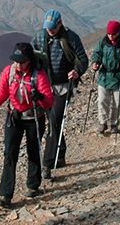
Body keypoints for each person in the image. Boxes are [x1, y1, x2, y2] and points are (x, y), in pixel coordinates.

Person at [0, 42, 54, 208]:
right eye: (16, 60)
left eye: (21, 61)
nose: (18, 64)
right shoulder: (9, 72)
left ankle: (33, 185)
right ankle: (5, 194)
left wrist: (40, 97)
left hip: (34, 117)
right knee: (10, 153)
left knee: (33, 150)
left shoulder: (39, 75)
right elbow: (2, 93)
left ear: (29, 60)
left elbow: (49, 101)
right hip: (13, 116)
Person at [31, 9, 89, 178]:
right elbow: (31, 55)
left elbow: (82, 59)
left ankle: (48, 163)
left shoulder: (71, 38)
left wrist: (77, 71)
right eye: (48, 27)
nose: (50, 30)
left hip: (63, 86)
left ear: (60, 23)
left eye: (53, 27)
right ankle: (61, 153)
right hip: (44, 86)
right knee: (52, 121)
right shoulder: (39, 37)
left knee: (55, 120)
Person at [91, 21, 120, 134]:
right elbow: (97, 53)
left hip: (119, 77)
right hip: (104, 76)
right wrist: (95, 62)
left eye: (113, 34)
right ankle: (103, 123)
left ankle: (114, 124)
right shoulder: (102, 42)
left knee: (117, 103)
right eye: (109, 34)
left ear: (118, 33)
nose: (111, 36)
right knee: (102, 101)